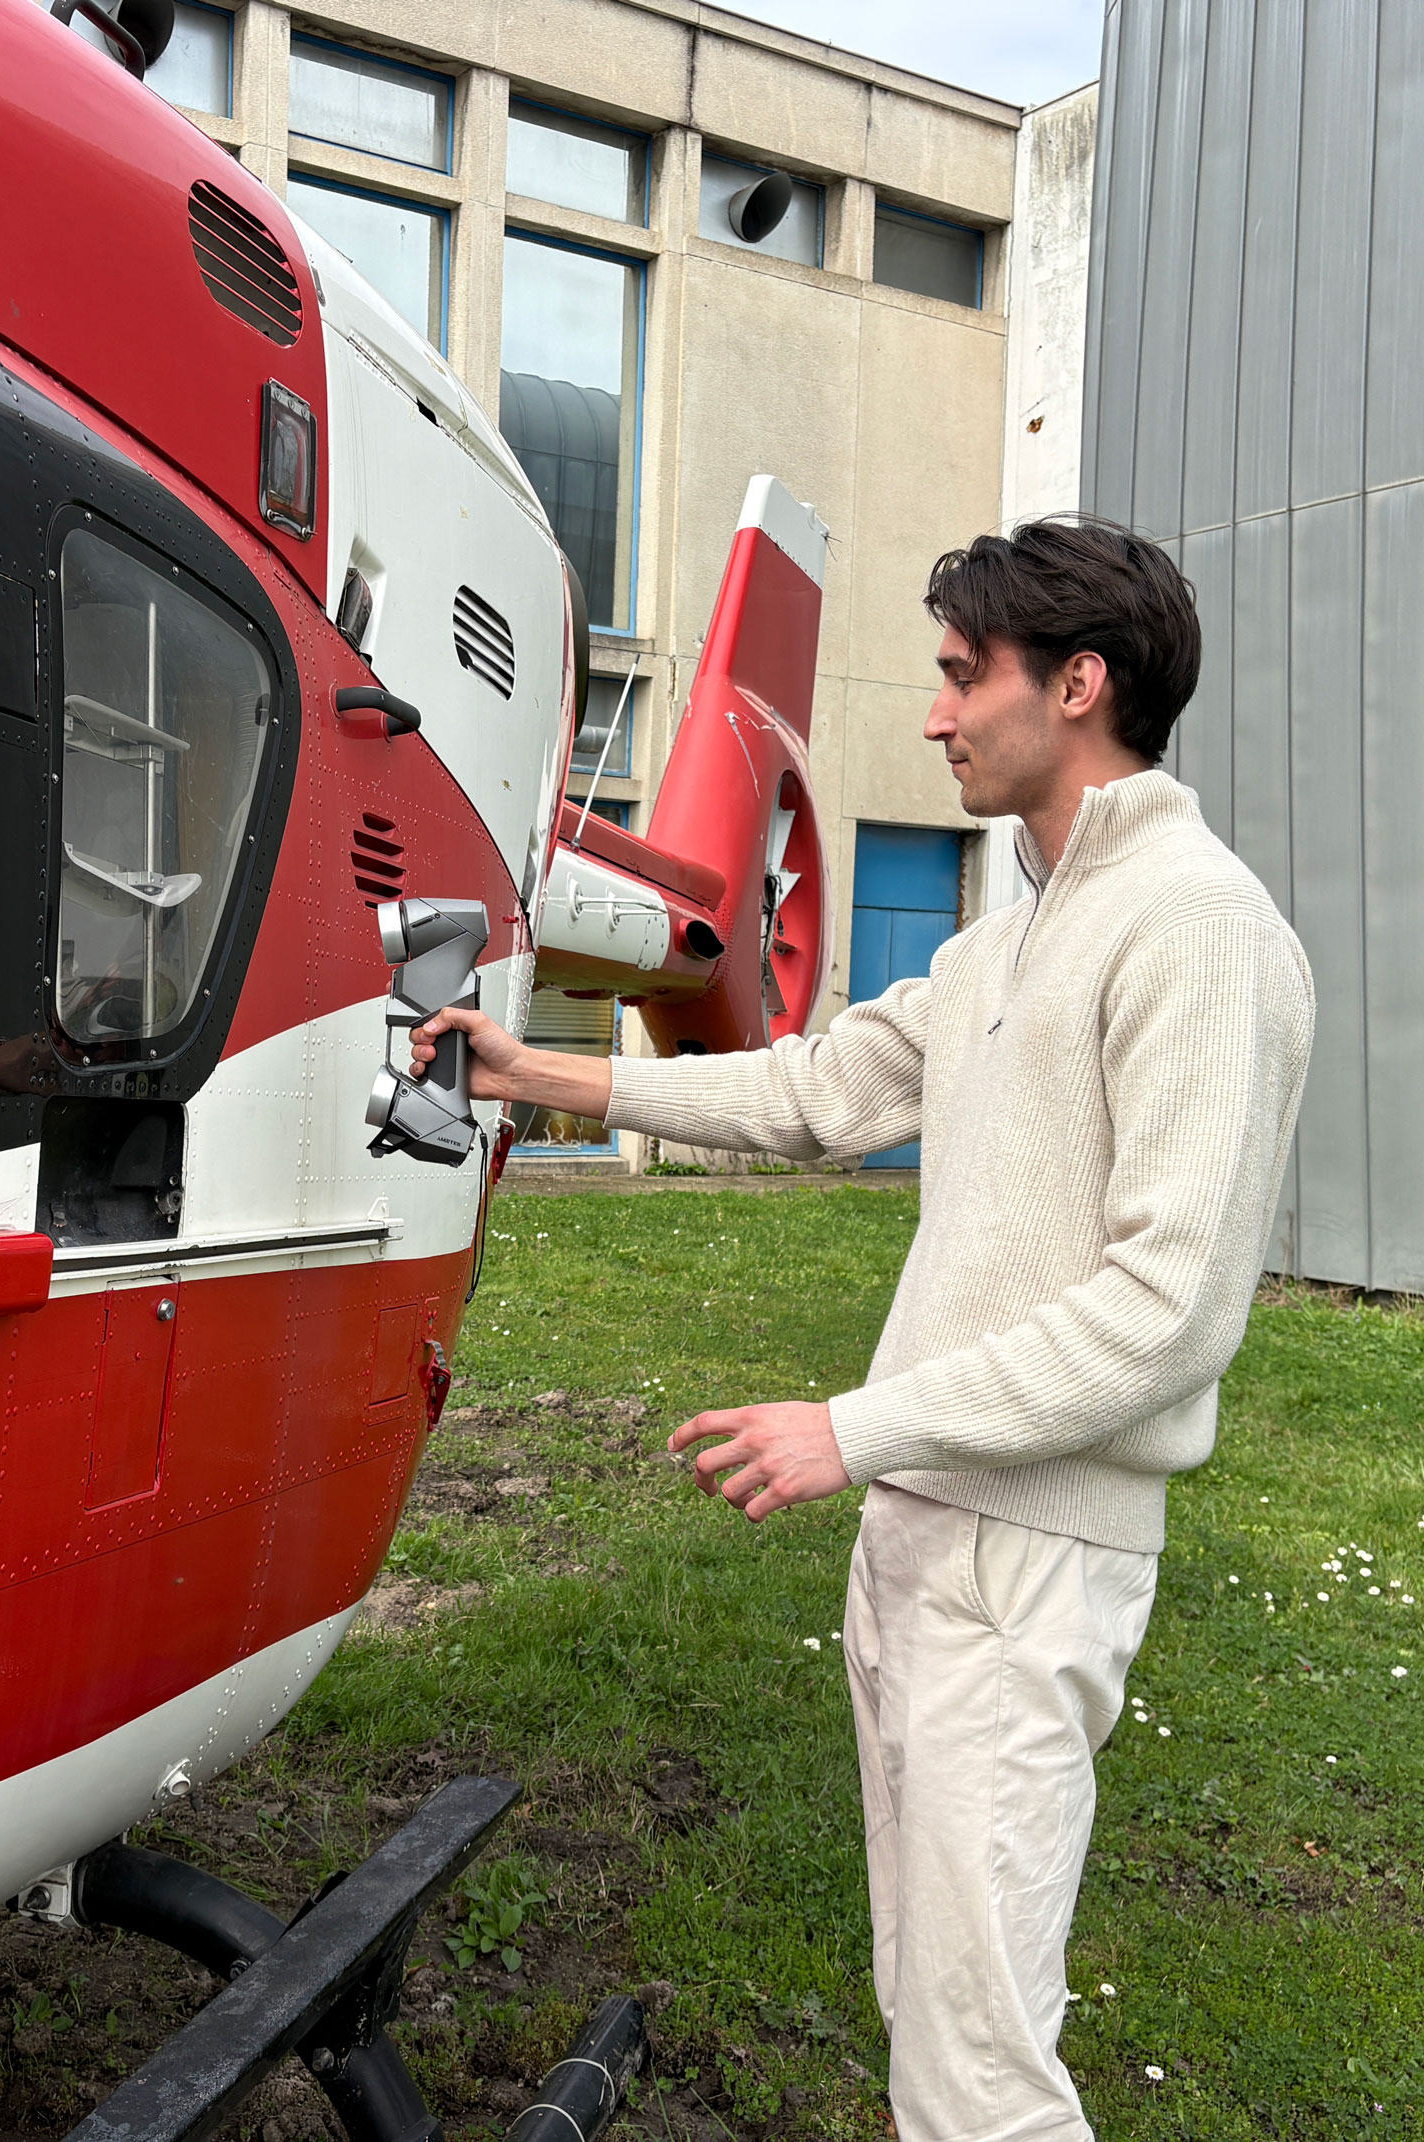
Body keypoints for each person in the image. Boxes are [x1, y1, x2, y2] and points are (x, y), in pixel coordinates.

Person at [410, 518, 1314, 2142]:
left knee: (984, 2074)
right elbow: (816, 1090)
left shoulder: (1199, 928)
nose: (936, 714)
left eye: (965, 676)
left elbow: (1167, 1314)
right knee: (934, 2015)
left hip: (1027, 1561)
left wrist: (852, 1427)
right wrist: (537, 1075)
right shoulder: (1011, 935)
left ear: (1079, 684)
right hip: (922, 1533)